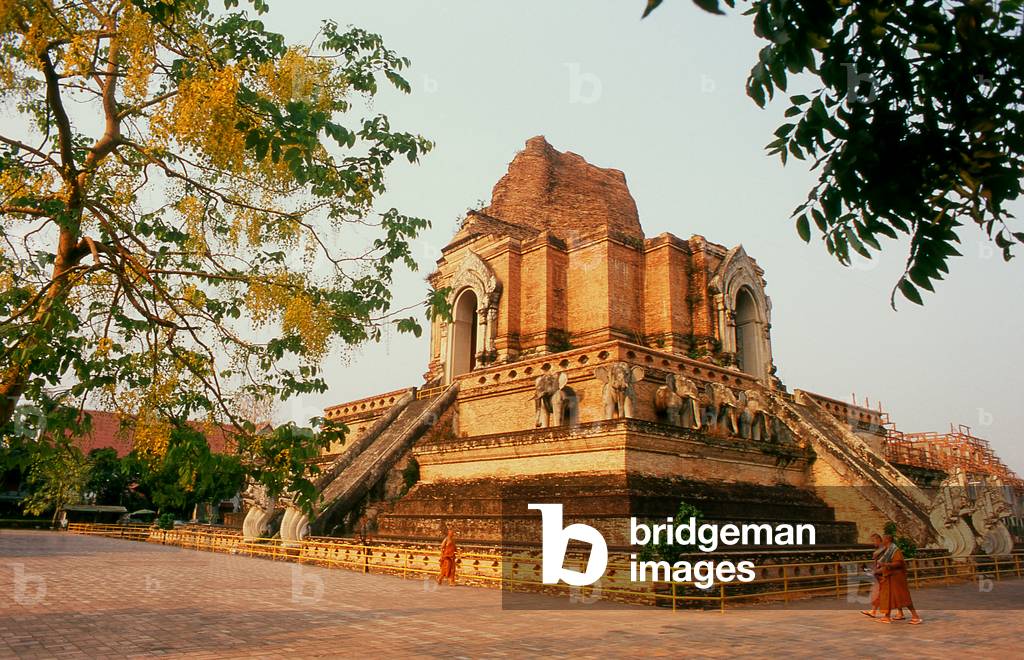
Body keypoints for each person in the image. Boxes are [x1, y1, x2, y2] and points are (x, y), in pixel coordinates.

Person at [876, 534, 923, 624]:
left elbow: (898, 563)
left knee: (903, 596)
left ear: (887, 539)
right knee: (888, 596)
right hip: (889, 577)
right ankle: (887, 616)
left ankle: (915, 616)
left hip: (896, 577)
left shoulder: (895, 550)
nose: (882, 541)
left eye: (883, 539)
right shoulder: (889, 550)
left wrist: (885, 565)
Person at [860, 532, 884, 618]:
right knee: (876, 593)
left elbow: (882, 563)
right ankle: (873, 611)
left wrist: (875, 570)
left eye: (874, 541)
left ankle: (900, 613)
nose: (873, 543)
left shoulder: (883, 549)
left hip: (883, 574)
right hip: (878, 574)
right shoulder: (879, 550)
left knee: (889, 594)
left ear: (878, 540)